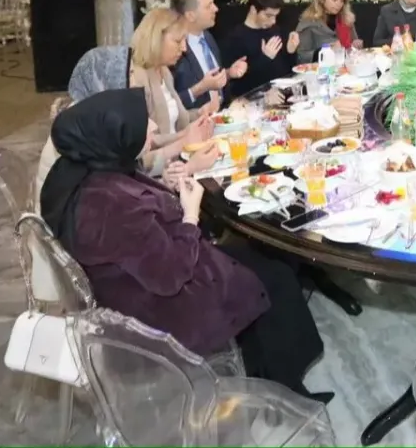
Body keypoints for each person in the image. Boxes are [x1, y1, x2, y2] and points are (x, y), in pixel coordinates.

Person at [39, 90, 328, 401]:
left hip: (140, 283)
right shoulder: (109, 206)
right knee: (275, 278)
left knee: (262, 260)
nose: (153, 126)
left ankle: (270, 377)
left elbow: (139, 232)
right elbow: (170, 275)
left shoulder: (91, 172)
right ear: (115, 136)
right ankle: (286, 392)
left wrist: (166, 189)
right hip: (158, 310)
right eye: (144, 122)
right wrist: (190, 214)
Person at [128, 7, 222, 176]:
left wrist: (199, 113)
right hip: (162, 175)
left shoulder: (163, 71)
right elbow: (141, 156)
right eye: (178, 41)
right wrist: (184, 138)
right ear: (156, 39)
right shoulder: (136, 79)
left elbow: (175, 119)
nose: (184, 48)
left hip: (180, 163)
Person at [35, 46, 131, 194]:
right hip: (65, 205)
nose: (132, 80)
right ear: (103, 82)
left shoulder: (85, 112)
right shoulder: (85, 129)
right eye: (129, 73)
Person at [171, 0, 247, 111]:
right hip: (195, 119)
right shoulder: (174, 49)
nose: (216, 9)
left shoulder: (207, 36)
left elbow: (212, 80)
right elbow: (168, 106)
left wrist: (228, 73)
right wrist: (201, 88)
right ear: (191, 15)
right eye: (208, 6)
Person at [221, 0, 298, 97]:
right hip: (255, 100)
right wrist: (265, 58)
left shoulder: (276, 30)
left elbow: (288, 70)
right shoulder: (236, 38)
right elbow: (239, 84)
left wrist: (291, 52)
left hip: (283, 94)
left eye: (276, 16)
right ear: (253, 10)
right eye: (268, 16)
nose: (273, 21)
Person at [296, 0, 361, 62]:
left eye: (342, 1)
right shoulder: (309, 22)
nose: (339, 4)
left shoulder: (347, 19)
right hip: (320, 69)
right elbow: (301, 56)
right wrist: (324, 51)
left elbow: (354, 44)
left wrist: (356, 45)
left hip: (346, 66)